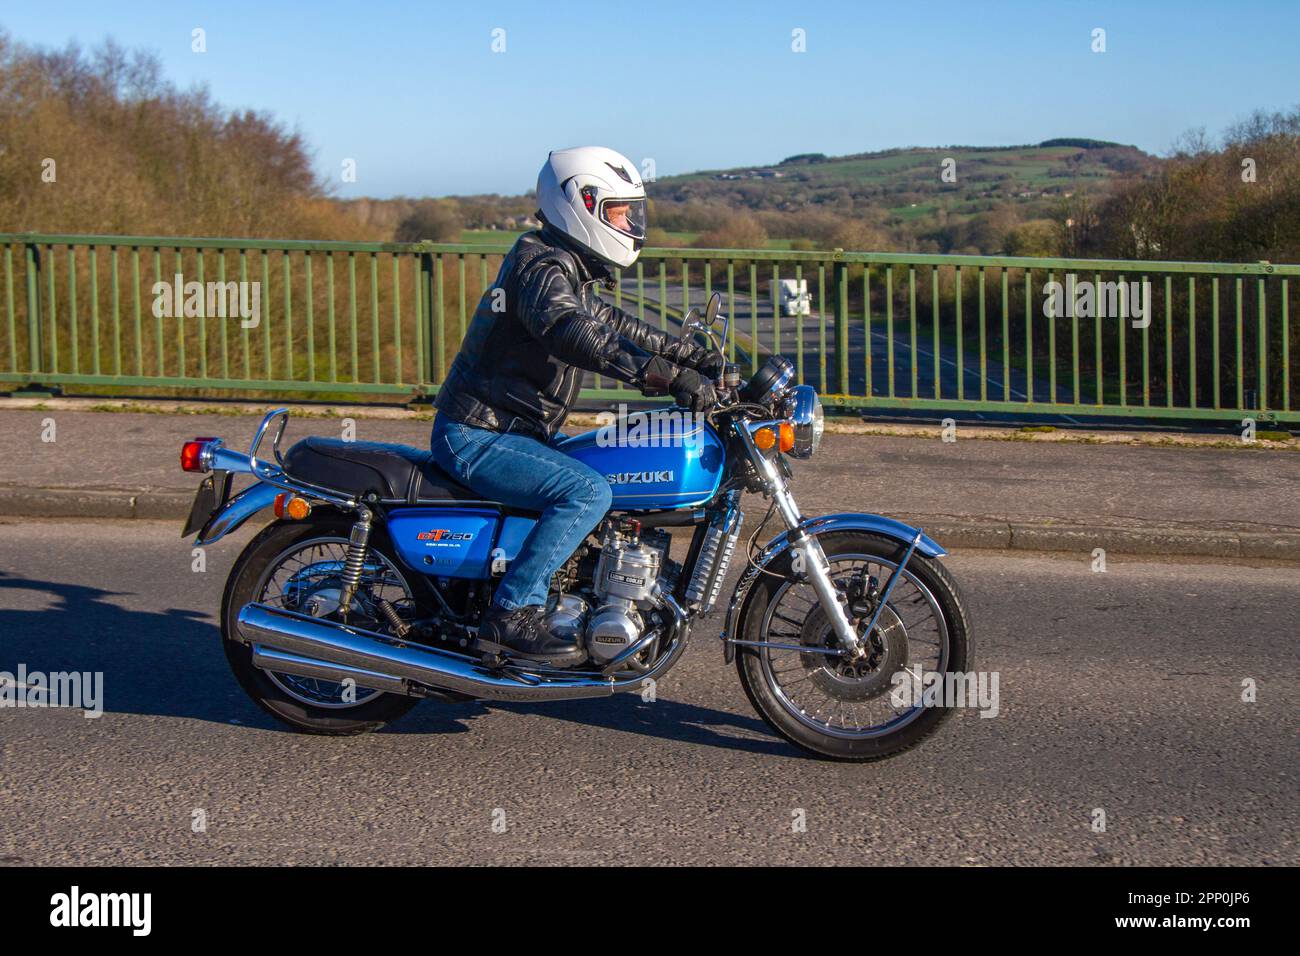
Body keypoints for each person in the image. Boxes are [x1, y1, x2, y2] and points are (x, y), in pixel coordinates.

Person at [430, 146, 720, 665]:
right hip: (478, 434)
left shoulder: (567, 267)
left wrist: (691, 356)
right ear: (579, 203)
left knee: (604, 460)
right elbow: (571, 332)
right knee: (588, 490)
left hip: (517, 431)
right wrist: (665, 378)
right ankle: (511, 614)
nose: (630, 223)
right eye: (619, 212)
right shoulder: (540, 267)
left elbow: (616, 326)